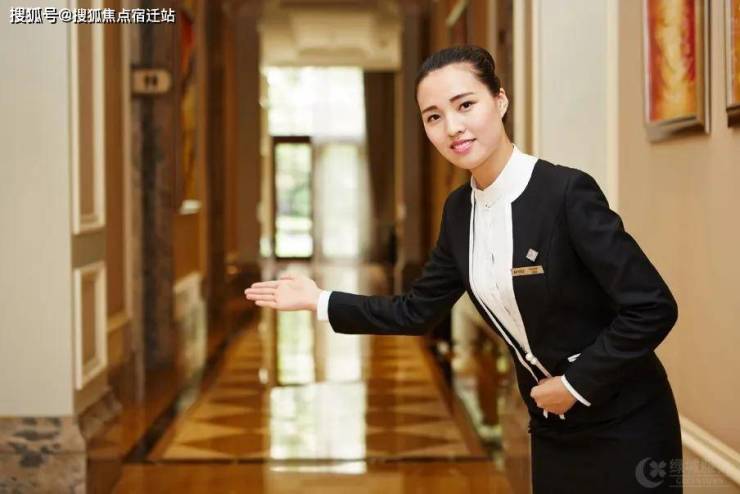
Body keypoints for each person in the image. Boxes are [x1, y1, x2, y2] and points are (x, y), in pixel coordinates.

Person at [245, 45, 682, 493]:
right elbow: (417, 311)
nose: (452, 127)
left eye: (465, 105)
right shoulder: (459, 212)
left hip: (627, 421)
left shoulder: (565, 193)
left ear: (500, 101)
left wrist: (575, 383)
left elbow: (652, 306)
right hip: (554, 426)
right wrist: (319, 300)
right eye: (433, 116)